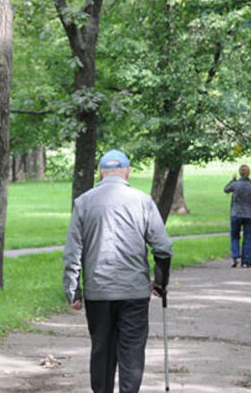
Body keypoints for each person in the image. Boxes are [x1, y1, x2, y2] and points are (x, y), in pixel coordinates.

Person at [63, 149, 173, 393]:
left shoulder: (83, 202)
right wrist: (161, 281)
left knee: (101, 349)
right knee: (132, 349)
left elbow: (72, 252)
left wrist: (73, 290)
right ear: (127, 171)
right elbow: (163, 247)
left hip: (97, 292)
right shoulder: (143, 200)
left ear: (100, 172)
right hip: (134, 291)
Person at [224, 164, 251, 268]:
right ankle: (246, 261)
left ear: (240, 173)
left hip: (236, 214)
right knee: (247, 238)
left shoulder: (235, 185)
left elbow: (226, 189)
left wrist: (232, 180)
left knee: (235, 237)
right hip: (249, 215)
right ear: (248, 173)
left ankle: (236, 257)